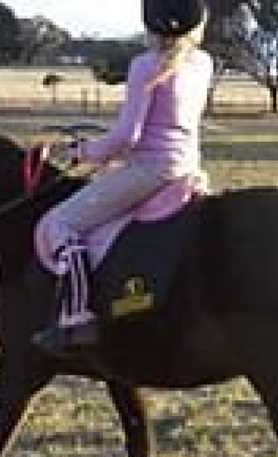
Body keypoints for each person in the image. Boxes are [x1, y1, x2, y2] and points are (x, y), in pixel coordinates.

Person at [33, 0, 214, 356]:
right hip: (187, 167)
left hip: (149, 170)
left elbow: (128, 137)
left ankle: (77, 316)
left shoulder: (145, 65)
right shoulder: (204, 63)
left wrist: (81, 153)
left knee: (60, 223)